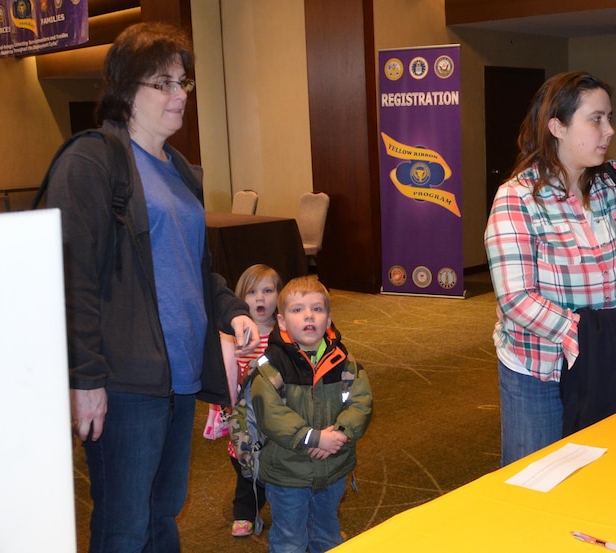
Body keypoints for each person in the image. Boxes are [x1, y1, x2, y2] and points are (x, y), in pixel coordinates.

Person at [45, 22, 258, 552]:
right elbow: (72, 281)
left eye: (182, 82)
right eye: (162, 83)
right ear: (124, 90)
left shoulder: (179, 169)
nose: (179, 95)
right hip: (124, 381)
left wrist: (231, 309)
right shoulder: (93, 161)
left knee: (162, 514)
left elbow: (196, 267)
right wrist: (86, 379)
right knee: (124, 524)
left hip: (178, 376)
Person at [484, 71, 616, 466]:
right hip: (542, 371)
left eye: (609, 118)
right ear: (557, 126)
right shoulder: (517, 198)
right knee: (537, 484)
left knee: (614, 471)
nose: (609, 130)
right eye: (596, 119)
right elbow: (516, 298)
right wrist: (584, 335)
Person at [252, 275, 373, 553]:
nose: (309, 316)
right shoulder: (271, 366)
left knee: (327, 535)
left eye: (317, 309)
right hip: (288, 473)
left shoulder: (344, 361)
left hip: (333, 469)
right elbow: (271, 414)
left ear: (328, 319)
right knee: (290, 541)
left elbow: (361, 401)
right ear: (282, 322)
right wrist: (312, 437)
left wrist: (341, 433)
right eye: (297, 310)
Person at [205, 264, 282, 537]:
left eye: (268, 291)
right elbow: (224, 375)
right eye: (252, 292)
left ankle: (281, 507)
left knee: (278, 462)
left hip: (276, 417)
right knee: (244, 465)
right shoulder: (233, 338)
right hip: (245, 418)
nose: (260, 298)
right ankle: (245, 512)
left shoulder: (283, 335)